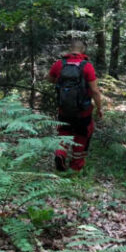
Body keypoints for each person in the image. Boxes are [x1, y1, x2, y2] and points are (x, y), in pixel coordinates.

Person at [47, 38, 103, 173]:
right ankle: (75, 168)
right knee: (81, 136)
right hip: (83, 111)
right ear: (83, 50)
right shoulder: (87, 66)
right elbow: (95, 91)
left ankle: (60, 154)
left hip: (64, 109)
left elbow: (49, 79)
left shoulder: (59, 64)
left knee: (64, 132)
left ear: (70, 48)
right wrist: (99, 108)